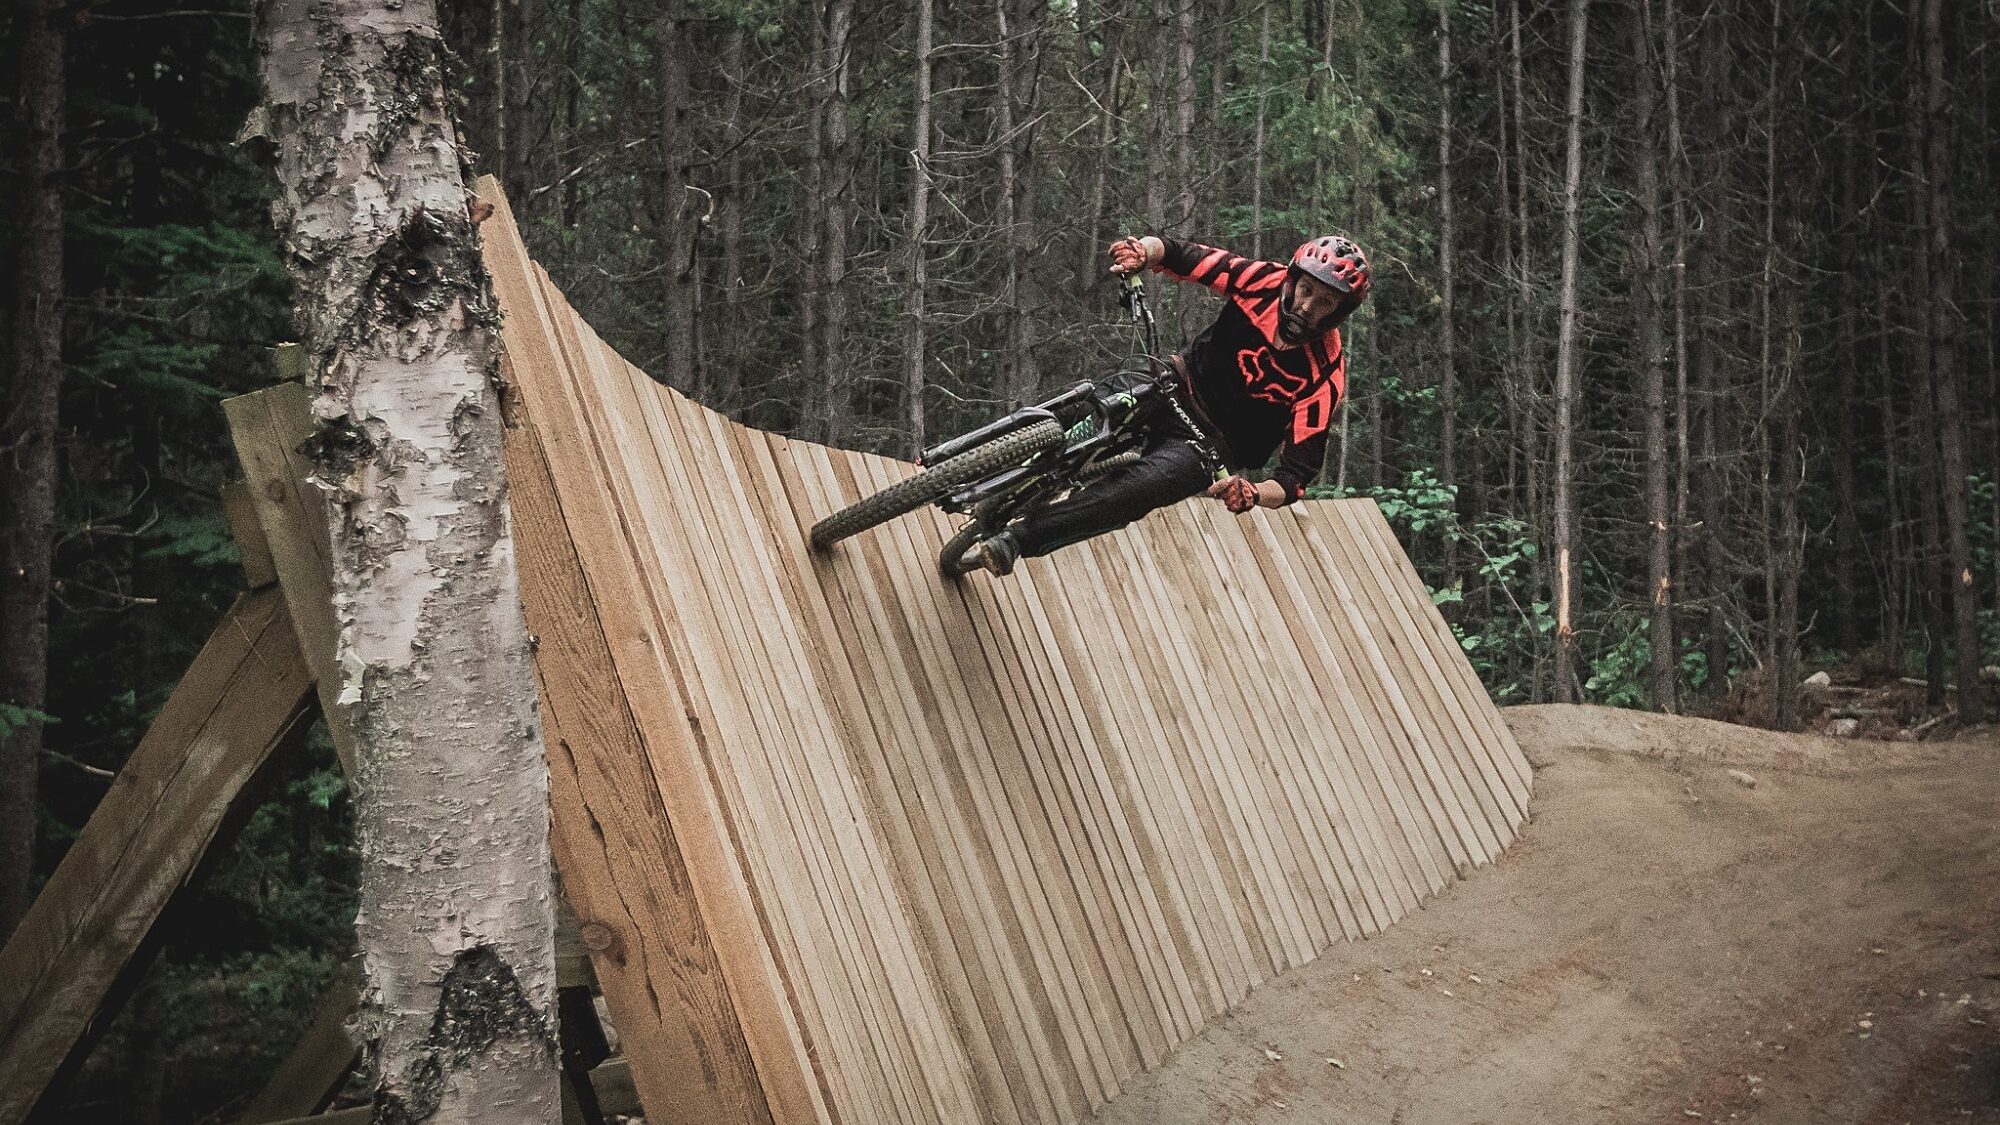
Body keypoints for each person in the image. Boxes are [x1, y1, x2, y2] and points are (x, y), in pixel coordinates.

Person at [973, 231, 1372, 576]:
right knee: (1086, 404)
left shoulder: (1325, 376)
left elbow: (1293, 478)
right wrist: (1141, 253)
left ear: (1339, 312)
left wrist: (1252, 492)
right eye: (1306, 291)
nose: (1306, 307)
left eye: (1324, 302)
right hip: (1175, 382)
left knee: (1134, 493)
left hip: (1212, 445)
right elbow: (1182, 254)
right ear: (1292, 279)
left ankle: (1017, 541)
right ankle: (970, 459)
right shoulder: (1261, 281)